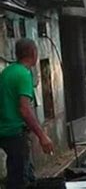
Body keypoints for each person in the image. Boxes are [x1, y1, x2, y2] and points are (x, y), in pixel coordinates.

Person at [0, 39, 54, 188]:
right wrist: (42, 136)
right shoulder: (23, 74)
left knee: (22, 173)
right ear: (33, 53)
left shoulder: (8, 71)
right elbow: (25, 109)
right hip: (14, 131)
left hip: (4, 129)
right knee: (20, 178)